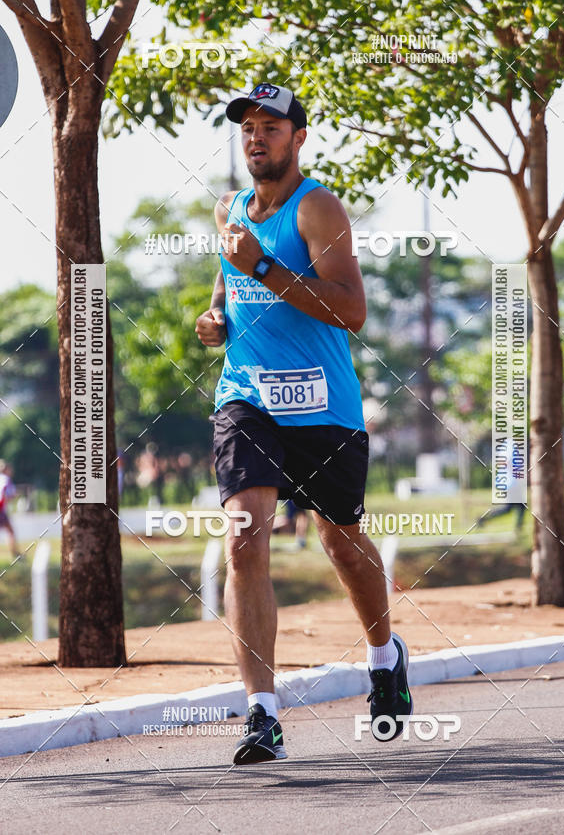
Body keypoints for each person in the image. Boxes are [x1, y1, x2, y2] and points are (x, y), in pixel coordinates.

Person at [195, 82, 412, 764]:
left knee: (341, 543)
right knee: (243, 540)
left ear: (298, 137)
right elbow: (227, 294)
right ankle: (262, 713)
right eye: (248, 127)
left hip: (323, 406)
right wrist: (213, 321)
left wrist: (263, 264)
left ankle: (384, 654)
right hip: (248, 399)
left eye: (271, 127)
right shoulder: (232, 209)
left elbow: (351, 310)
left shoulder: (317, 208)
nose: (256, 137)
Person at [0, 460, 19, 558]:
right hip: (1, 509)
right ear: (6, 469)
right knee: (10, 531)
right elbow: (7, 494)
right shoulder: (6, 479)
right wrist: (14, 496)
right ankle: (15, 554)